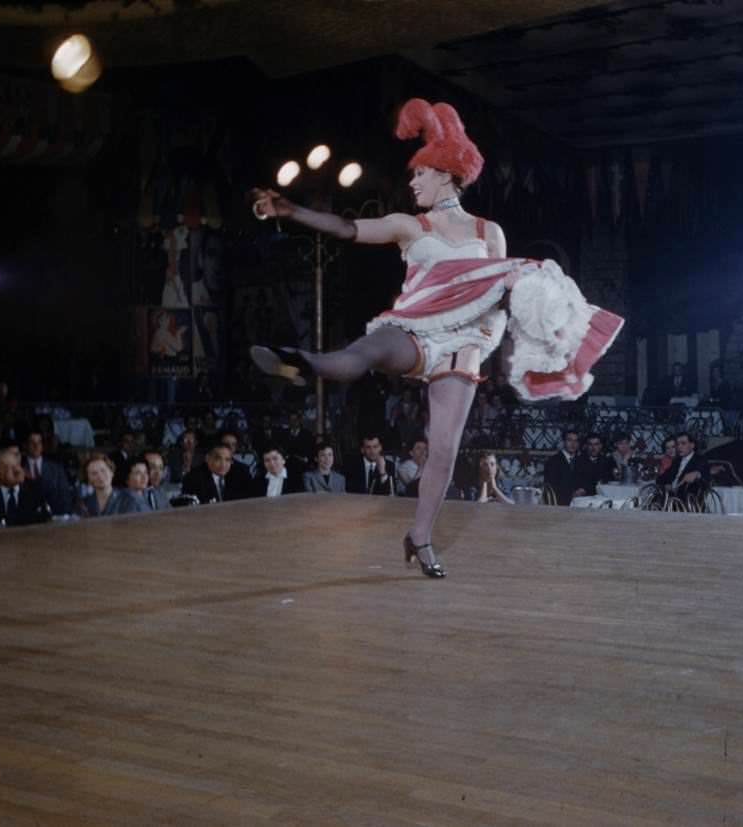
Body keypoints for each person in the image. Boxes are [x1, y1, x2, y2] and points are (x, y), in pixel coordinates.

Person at [249, 98, 623, 577]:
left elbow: (497, 292)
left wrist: (478, 345)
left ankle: (420, 537)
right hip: (415, 328)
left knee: (443, 447)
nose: (411, 183)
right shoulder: (410, 226)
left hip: (463, 344)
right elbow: (346, 228)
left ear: (444, 172)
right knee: (365, 351)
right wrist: (288, 210)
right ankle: (300, 363)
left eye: (418, 175)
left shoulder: (490, 232)